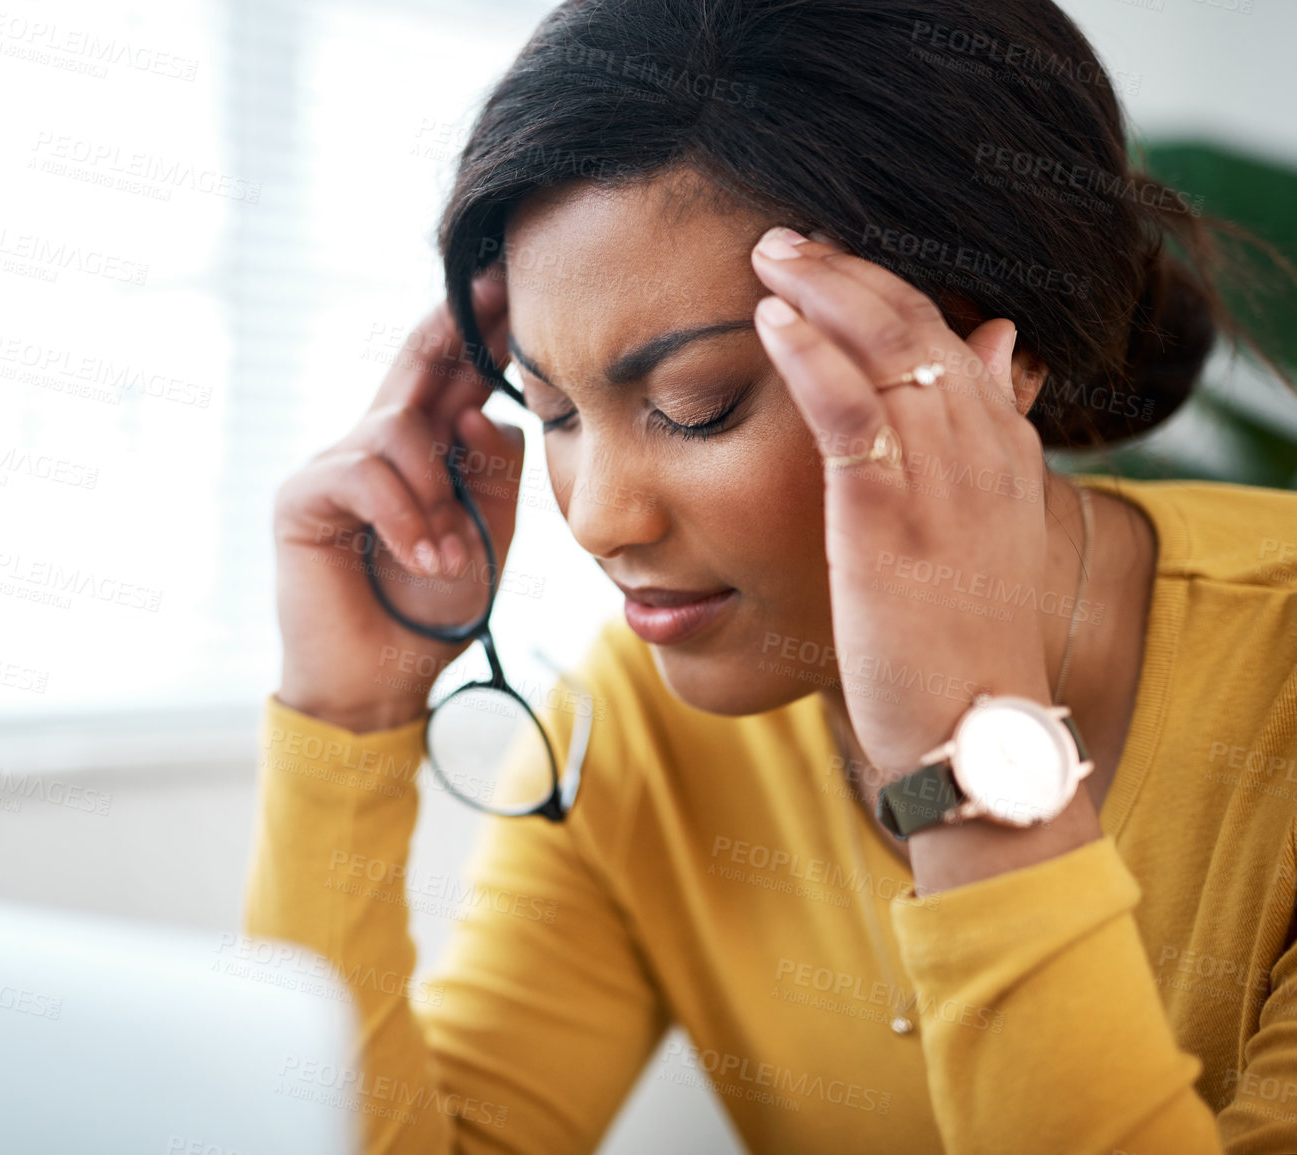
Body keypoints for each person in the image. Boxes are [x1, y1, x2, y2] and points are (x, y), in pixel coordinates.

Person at [249, 0, 1297, 1150]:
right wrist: (344, 719)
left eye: (698, 407)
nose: (597, 518)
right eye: (550, 413)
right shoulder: (643, 722)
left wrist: (967, 752)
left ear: (999, 356)